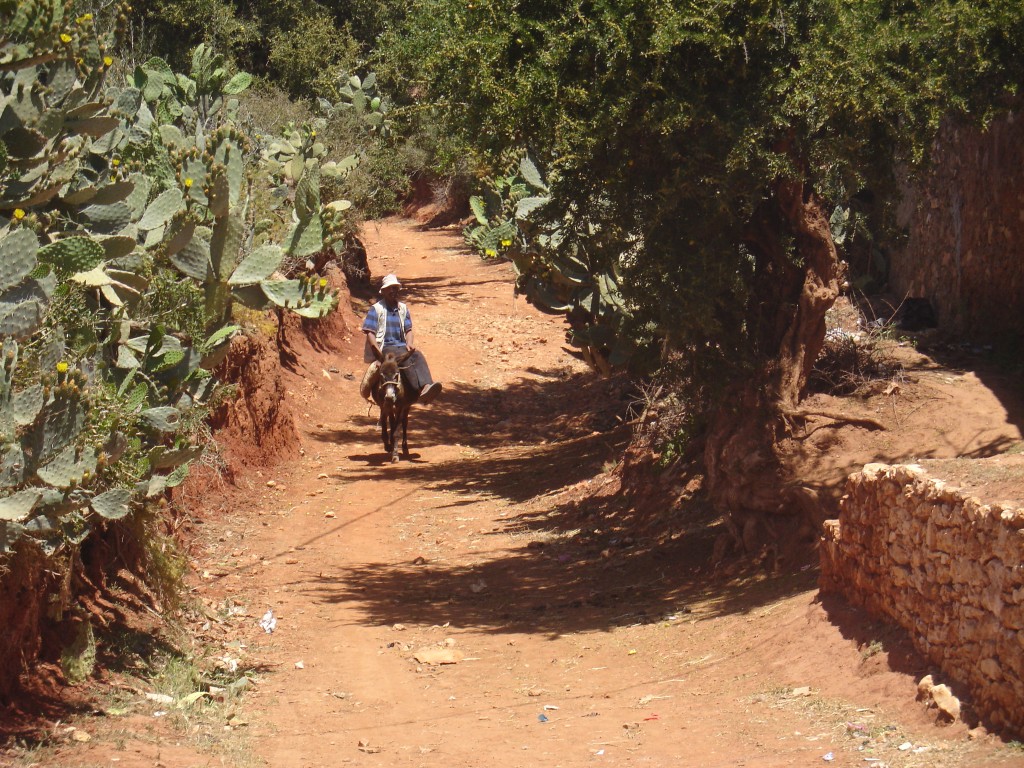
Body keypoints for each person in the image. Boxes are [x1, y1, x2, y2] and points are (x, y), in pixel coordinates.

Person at [360, 274, 442, 405]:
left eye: (395, 288)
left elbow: (408, 330)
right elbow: (370, 332)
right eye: (390, 288)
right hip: (385, 347)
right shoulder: (376, 309)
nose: (393, 291)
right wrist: (376, 350)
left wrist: (409, 343)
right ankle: (417, 389)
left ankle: (426, 386)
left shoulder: (403, 308)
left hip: (401, 345)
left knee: (417, 355)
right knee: (403, 359)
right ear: (384, 291)